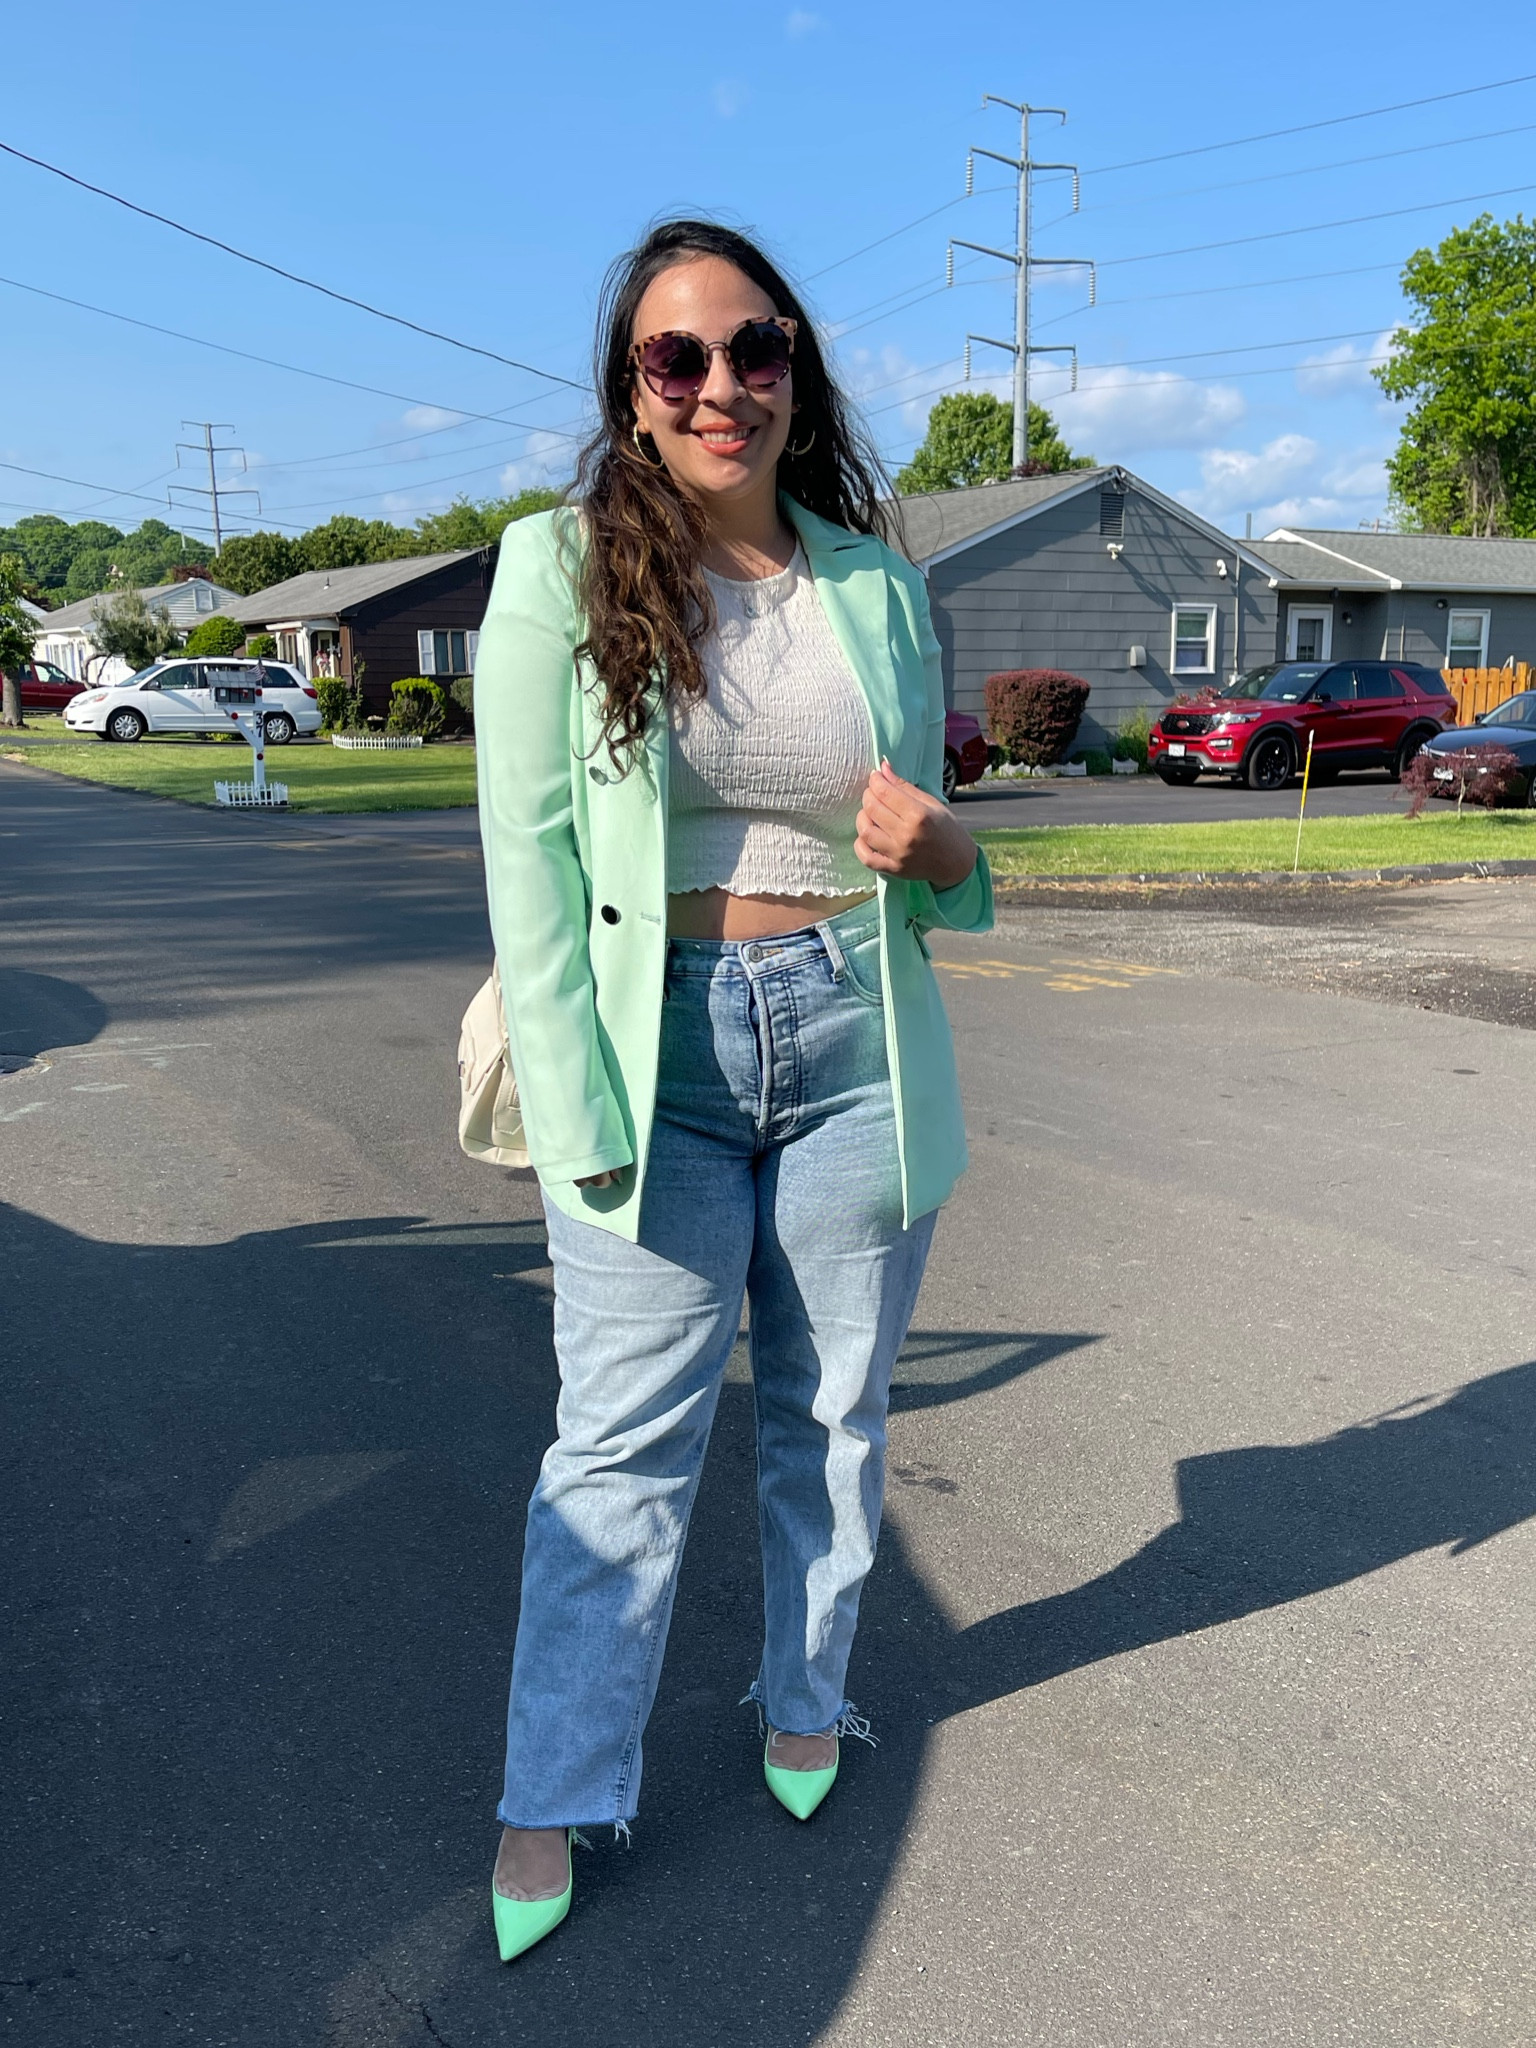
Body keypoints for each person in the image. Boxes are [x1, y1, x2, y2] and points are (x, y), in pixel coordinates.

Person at [473, 218, 993, 1963]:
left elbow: (941, 868)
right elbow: (530, 872)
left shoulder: (878, 584)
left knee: (831, 1416)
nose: (721, 387)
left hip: (852, 1030)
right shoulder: (556, 570)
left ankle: (805, 1695)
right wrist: (577, 1111)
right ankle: (552, 1789)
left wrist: (950, 849)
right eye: (677, 359)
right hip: (656, 1045)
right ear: (630, 395)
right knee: (617, 1445)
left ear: (797, 374)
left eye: (754, 350)